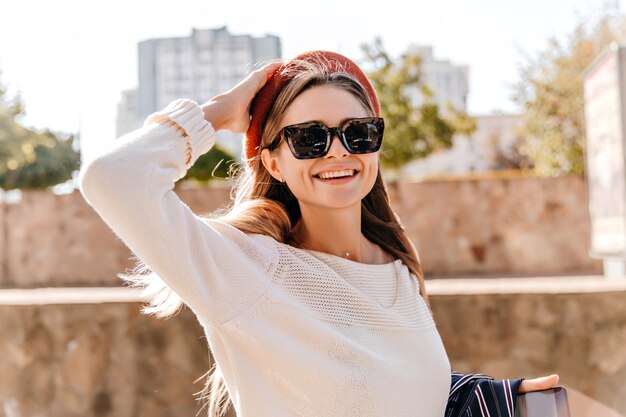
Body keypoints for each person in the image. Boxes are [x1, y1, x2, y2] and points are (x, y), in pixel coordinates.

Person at [78, 50, 559, 417]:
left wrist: (479, 397)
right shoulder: (244, 267)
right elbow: (111, 178)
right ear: (272, 161)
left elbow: (379, 387)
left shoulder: (396, 261)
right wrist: (220, 112)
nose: (337, 151)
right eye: (308, 138)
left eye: (358, 132)